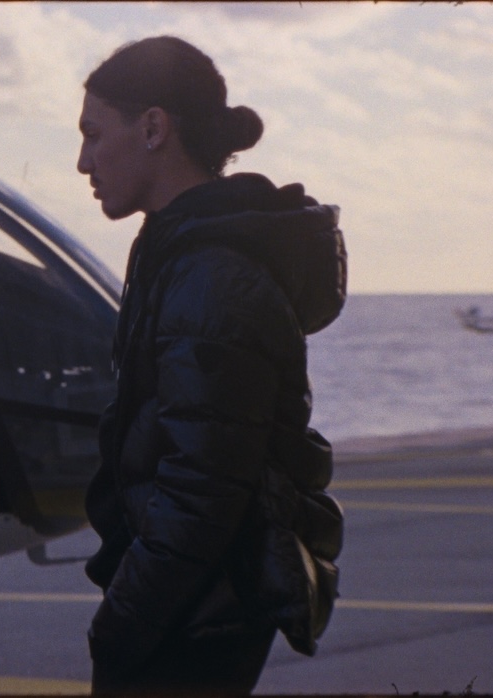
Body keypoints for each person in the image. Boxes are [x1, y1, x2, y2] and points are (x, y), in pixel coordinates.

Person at [76, 36, 347, 695]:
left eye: (92, 132)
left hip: (197, 615)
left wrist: (122, 626)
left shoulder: (211, 275)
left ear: (153, 127)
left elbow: (203, 491)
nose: (82, 160)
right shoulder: (182, 255)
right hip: (193, 605)